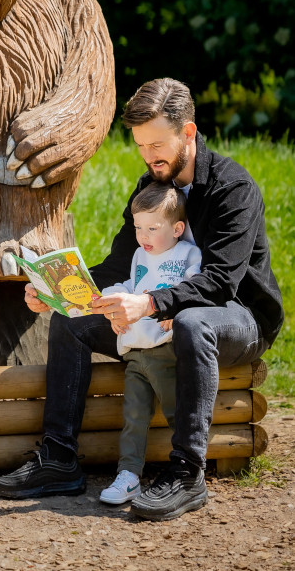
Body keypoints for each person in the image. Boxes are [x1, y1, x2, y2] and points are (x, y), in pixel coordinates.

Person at [0, 77, 283, 521]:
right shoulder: (150, 189)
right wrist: (61, 292)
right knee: (71, 323)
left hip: (237, 318)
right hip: (156, 320)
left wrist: (147, 304)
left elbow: (221, 282)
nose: (149, 157)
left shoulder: (233, 189)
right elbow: (116, 268)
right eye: (141, 146)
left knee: (192, 322)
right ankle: (58, 460)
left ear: (188, 132)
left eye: (157, 144)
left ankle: (186, 475)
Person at [98, 181, 201, 505]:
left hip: (165, 350)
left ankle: (185, 472)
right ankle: (128, 475)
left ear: (177, 228)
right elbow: (132, 285)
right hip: (136, 350)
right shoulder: (140, 254)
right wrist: (106, 300)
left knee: (175, 411)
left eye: (152, 228)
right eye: (138, 227)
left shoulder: (188, 253)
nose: (143, 236)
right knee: (134, 416)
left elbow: (194, 289)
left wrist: (179, 309)